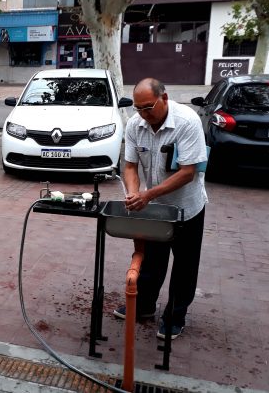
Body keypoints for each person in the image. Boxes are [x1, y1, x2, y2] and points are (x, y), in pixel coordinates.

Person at [113, 77, 208, 340]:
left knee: (185, 266)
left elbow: (188, 172)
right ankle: (143, 306)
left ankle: (175, 316)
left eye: (148, 107)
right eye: (138, 108)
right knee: (153, 260)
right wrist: (133, 193)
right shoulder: (135, 125)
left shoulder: (187, 122)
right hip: (154, 209)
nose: (143, 114)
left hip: (186, 208)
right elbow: (130, 165)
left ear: (164, 98)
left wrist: (148, 195)